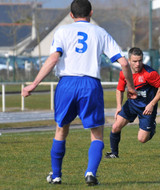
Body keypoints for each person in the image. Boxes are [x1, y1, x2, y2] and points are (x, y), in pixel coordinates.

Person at [22, 0, 136, 186]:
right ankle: (90, 173)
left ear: (71, 15)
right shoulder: (100, 32)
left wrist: (33, 84)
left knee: (61, 130)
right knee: (96, 132)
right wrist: (130, 87)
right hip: (90, 84)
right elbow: (124, 63)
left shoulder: (62, 31)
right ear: (91, 12)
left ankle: (57, 175)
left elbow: (53, 59)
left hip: (66, 84)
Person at [105, 47, 160, 158]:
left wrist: (152, 104)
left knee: (142, 139)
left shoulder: (149, 73)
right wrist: (119, 106)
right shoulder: (124, 73)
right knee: (115, 127)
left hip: (146, 109)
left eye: (140, 60)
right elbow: (119, 89)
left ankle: (151, 126)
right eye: (134, 61)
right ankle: (114, 154)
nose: (138, 64)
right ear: (129, 61)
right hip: (131, 105)